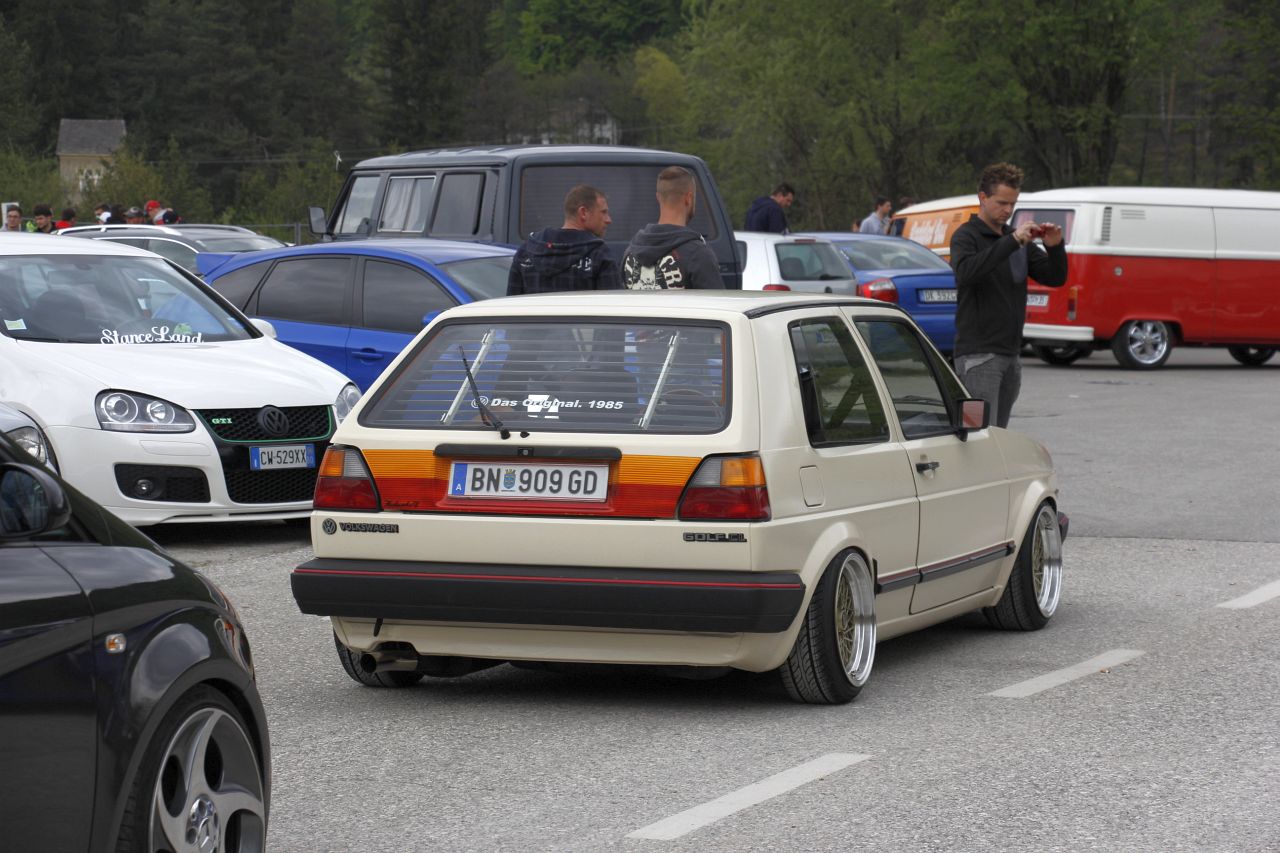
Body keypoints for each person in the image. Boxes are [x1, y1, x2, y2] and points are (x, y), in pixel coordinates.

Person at [950, 162, 1068, 428]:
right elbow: (966, 273)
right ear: (983, 197)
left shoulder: (1016, 240)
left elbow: (1055, 277)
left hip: (1011, 355)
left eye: (1012, 204)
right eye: (1001, 203)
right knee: (977, 433)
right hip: (978, 356)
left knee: (999, 435)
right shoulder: (966, 236)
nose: (1007, 210)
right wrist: (1012, 241)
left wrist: (1055, 246)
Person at [506, 185, 621, 295]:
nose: (608, 220)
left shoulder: (526, 252)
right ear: (583, 213)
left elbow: (511, 304)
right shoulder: (600, 255)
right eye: (603, 212)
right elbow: (613, 305)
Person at [623, 166, 724, 290]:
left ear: (658, 197)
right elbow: (716, 301)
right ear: (688, 198)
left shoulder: (630, 254)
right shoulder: (698, 254)